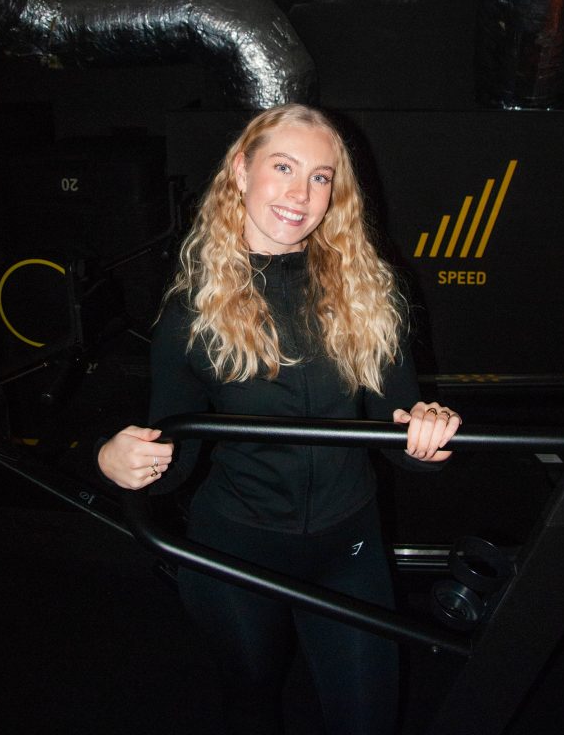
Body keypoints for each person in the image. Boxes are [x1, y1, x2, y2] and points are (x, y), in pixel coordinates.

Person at [97, 104, 461, 735]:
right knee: (252, 702)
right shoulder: (192, 311)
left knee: (369, 719)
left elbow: (397, 429)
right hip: (234, 549)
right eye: (284, 167)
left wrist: (427, 433)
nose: (301, 193)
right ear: (242, 171)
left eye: (320, 177)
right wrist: (117, 459)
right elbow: (174, 460)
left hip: (347, 545)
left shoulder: (370, 291)